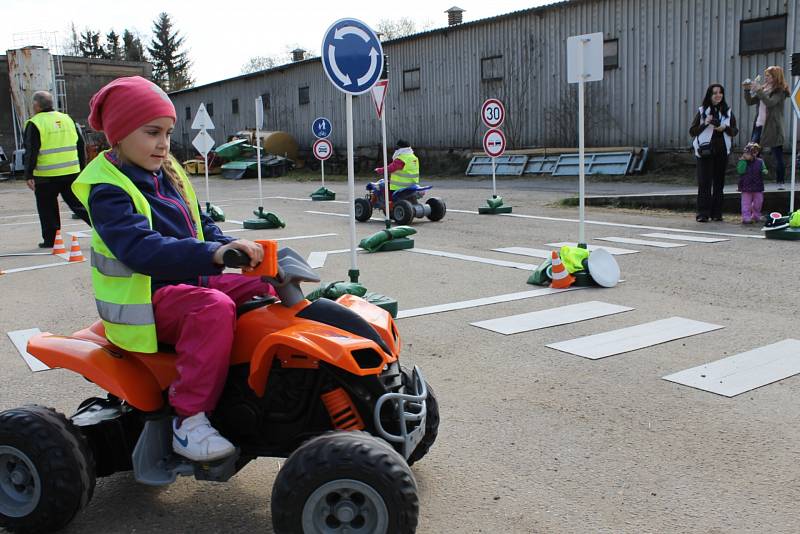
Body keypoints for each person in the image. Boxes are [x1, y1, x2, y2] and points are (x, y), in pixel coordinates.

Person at [72, 76, 275, 462]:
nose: (163, 144)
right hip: (147, 299)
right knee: (211, 308)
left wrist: (229, 248)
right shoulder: (108, 190)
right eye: (152, 133)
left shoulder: (167, 171)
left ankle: (257, 391)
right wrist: (212, 256)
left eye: (167, 133)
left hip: (189, 281)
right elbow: (141, 250)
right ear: (119, 134)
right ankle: (189, 420)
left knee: (263, 287)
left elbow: (202, 223)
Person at [23, 91, 91, 247]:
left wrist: (28, 174)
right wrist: (82, 168)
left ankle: (51, 240)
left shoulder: (35, 123)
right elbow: (80, 145)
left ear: (36, 105)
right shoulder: (67, 119)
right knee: (79, 205)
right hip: (71, 172)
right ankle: (103, 229)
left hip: (46, 175)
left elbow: (31, 150)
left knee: (47, 207)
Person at [689, 84, 738, 222]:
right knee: (704, 182)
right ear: (709, 95)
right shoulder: (702, 110)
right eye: (715, 93)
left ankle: (716, 213)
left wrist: (724, 128)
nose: (718, 95)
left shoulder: (728, 112)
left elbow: (734, 131)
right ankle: (703, 213)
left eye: (720, 92)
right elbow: (692, 131)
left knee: (719, 183)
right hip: (705, 151)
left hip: (722, 151)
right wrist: (705, 123)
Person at [743, 66, 790, 189]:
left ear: (776, 77)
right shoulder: (764, 88)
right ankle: (751, 181)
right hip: (759, 125)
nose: (766, 77)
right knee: (752, 153)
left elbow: (770, 103)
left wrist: (759, 90)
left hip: (773, 127)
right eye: (766, 75)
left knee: (777, 155)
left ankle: (780, 181)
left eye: (768, 75)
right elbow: (750, 102)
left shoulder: (780, 90)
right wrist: (747, 90)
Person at [736, 142, 768, 224]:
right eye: (745, 153)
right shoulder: (742, 162)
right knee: (746, 203)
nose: (745, 155)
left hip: (758, 186)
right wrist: (743, 162)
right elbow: (740, 171)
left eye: (747, 153)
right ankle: (746, 217)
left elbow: (764, 168)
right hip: (746, 187)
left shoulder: (760, 162)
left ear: (754, 154)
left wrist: (764, 170)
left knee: (759, 202)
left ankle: (756, 215)